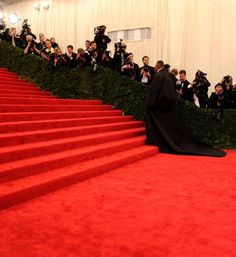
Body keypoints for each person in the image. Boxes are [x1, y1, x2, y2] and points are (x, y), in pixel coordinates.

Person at [145, 60, 226, 157]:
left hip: (161, 107)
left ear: (157, 66)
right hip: (172, 106)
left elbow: (154, 91)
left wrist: (149, 103)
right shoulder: (170, 76)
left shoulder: (158, 76)